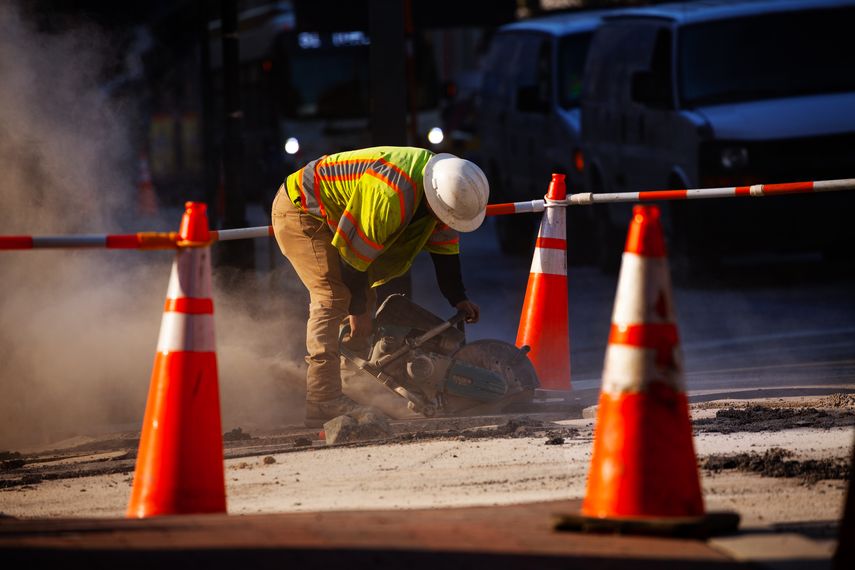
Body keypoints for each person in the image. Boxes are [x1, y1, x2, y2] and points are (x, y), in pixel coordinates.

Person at [272, 146, 489, 427]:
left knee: (362, 300)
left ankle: (350, 384)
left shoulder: (445, 190)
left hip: (333, 212)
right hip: (301, 208)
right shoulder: (390, 196)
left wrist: (458, 298)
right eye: (443, 217)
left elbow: (444, 254)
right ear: (434, 199)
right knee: (333, 296)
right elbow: (353, 261)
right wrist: (358, 314)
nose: (444, 223)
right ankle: (323, 398)